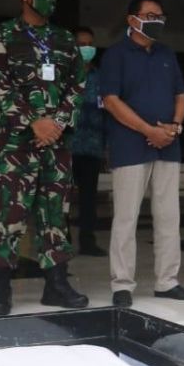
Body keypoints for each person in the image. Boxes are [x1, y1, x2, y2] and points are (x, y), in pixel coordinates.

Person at [0, 0, 88, 316]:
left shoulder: (65, 39)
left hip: (56, 144)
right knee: (8, 213)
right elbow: (1, 86)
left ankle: (56, 285)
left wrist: (55, 124)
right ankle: (1, 289)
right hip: (16, 143)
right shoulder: (0, 35)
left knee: (55, 214)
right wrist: (34, 122)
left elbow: (77, 85)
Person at [100, 0, 184, 307]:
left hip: (168, 146)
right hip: (130, 147)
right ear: (132, 20)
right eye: (150, 15)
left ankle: (167, 282)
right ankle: (122, 285)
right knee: (125, 219)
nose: (157, 21)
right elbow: (112, 102)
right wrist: (149, 131)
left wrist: (174, 127)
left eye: (160, 16)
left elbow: (181, 95)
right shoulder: (115, 55)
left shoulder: (167, 53)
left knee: (169, 218)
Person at [70, 26, 107, 257]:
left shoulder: (100, 77)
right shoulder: (65, 76)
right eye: (81, 44)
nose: (86, 48)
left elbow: (107, 110)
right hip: (66, 145)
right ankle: (59, 241)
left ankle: (87, 240)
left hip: (93, 146)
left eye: (89, 44)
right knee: (61, 197)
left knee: (88, 198)